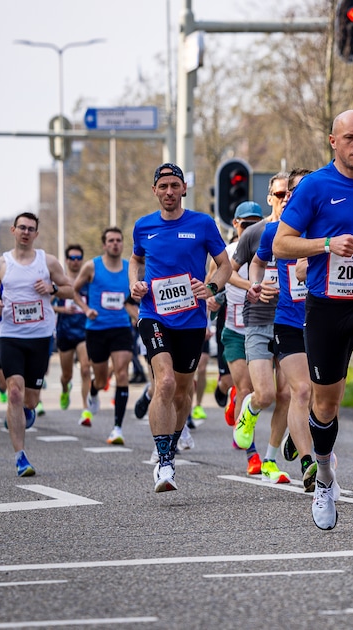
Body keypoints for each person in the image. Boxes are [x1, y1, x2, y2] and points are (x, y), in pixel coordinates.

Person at [270, 110, 353, 530]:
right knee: (325, 405)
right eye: (349, 138)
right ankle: (325, 479)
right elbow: (283, 244)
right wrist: (326, 244)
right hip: (325, 305)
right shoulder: (314, 186)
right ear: (333, 142)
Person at [131, 162, 231, 492]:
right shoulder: (143, 226)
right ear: (155, 191)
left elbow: (224, 265)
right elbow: (136, 259)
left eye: (175, 186)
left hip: (191, 319)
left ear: (184, 188)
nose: (170, 192)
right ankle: (164, 462)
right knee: (166, 382)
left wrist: (212, 288)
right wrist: (136, 284)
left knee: (184, 391)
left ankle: (170, 448)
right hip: (154, 315)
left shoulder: (202, 224)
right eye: (164, 187)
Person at [0, 212, 78, 476]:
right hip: (11, 335)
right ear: (14, 230)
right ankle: (20, 457)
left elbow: (70, 288)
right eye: (22, 227)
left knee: (31, 400)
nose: (25, 232)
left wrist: (53, 289)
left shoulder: (46, 261)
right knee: (14, 391)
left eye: (31, 229)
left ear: (36, 234)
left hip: (40, 335)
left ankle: (28, 410)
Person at [252, 168, 320, 492]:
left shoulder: (327, 230)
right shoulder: (275, 231)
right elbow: (256, 261)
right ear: (291, 195)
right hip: (288, 322)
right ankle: (308, 463)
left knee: (321, 397)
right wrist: (258, 282)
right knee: (301, 390)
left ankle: (299, 431)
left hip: (322, 320)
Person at [232, 185, 293, 484]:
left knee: (287, 394)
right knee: (266, 394)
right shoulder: (255, 233)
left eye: (289, 194)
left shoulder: (302, 232)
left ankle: (269, 458)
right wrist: (250, 287)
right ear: (269, 198)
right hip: (257, 319)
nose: (285, 199)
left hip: (290, 321)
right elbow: (226, 270)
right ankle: (249, 408)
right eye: (279, 194)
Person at [219, 201, 283, 478]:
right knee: (247, 387)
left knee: (284, 392)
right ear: (236, 225)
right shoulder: (229, 252)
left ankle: (277, 452)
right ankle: (252, 454)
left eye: (254, 221)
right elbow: (218, 279)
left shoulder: (282, 237)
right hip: (237, 329)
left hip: (272, 321)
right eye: (244, 223)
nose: (249, 228)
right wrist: (250, 287)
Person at [74, 227, 135, 445]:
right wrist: (85, 308)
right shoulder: (92, 267)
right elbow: (73, 290)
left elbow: (132, 297)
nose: (115, 244)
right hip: (96, 329)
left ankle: (117, 428)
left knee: (121, 373)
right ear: (104, 244)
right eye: (111, 240)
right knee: (100, 380)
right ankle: (93, 390)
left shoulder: (130, 268)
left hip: (120, 328)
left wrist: (135, 314)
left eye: (119, 240)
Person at [54, 244, 92, 426]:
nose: (75, 262)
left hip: (84, 330)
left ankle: (86, 410)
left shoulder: (88, 281)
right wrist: (63, 309)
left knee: (86, 369)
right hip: (65, 331)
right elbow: (48, 304)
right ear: (67, 260)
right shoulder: (60, 282)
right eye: (72, 258)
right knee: (66, 374)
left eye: (79, 258)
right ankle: (64, 388)